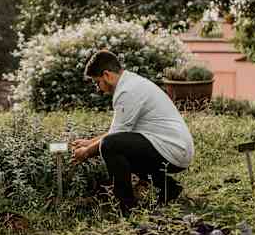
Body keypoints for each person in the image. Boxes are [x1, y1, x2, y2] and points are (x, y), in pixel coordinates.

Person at [72, 49, 194, 215]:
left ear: (107, 75)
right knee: (117, 145)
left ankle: (127, 208)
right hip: (173, 147)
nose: (98, 88)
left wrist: (86, 152)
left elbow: (113, 140)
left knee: (111, 146)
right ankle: (169, 189)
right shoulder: (131, 83)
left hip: (172, 150)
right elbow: (119, 132)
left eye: (97, 82)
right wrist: (89, 142)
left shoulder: (127, 91)